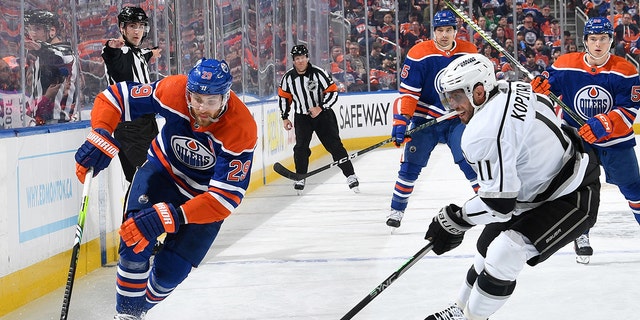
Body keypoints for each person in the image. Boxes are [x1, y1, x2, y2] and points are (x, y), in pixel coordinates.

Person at [73, 58, 257, 320]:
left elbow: (225, 199)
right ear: (188, 93)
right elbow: (113, 97)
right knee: (135, 237)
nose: (202, 109)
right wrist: (100, 133)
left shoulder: (241, 128)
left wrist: (173, 216)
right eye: (196, 99)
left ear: (226, 97)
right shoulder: (173, 90)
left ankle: (136, 310)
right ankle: (126, 315)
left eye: (212, 101)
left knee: (172, 271)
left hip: (203, 198)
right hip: (162, 174)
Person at [424, 53, 600, 320]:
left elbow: (499, 204)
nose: (452, 105)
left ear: (479, 92)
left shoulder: (481, 133)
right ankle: (459, 309)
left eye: (457, 97)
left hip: (573, 192)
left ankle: (473, 317)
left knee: (505, 252)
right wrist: (460, 219)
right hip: (538, 186)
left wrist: (456, 219)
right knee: (486, 247)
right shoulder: (513, 86)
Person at [531, 17, 640, 264]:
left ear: (611, 41)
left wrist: (605, 123)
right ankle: (581, 234)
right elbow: (547, 86)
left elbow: (630, 109)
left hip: (616, 143)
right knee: (578, 191)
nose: (598, 43)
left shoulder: (625, 70)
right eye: (593, 39)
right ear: (585, 41)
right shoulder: (565, 64)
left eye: (603, 38)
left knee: (634, 189)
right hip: (579, 141)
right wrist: (540, 85)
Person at [386, 9, 478, 229]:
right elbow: (408, 94)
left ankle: (490, 204)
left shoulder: (470, 52)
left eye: (448, 30)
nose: (444, 35)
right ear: (433, 32)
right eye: (440, 30)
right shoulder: (419, 54)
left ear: (456, 31)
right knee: (410, 166)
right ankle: (396, 210)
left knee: (470, 162)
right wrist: (401, 121)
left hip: (458, 118)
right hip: (425, 118)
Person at [277, 44, 359, 194]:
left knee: (334, 146)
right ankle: (300, 177)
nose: (300, 61)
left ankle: (350, 175)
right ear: (293, 60)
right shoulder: (288, 78)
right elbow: (284, 98)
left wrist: (320, 107)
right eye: (297, 58)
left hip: (323, 116)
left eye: (302, 57)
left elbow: (333, 92)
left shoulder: (319, 73)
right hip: (302, 117)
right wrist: (285, 117)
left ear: (307, 58)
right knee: (300, 148)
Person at [103, 6, 162, 184]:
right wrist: (111, 47)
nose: (137, 31)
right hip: (130, 128)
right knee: (143, 178)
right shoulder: (120, 53)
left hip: (148, 125)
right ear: (122, 28)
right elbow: (112, 56)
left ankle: (147, 211)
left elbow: (145, 53)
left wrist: (153, 52)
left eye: (141, 26)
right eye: (132, 26)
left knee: (155, 175)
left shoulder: (139, 53)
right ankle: (137, 212)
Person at [24, 9, 79, 125]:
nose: (32, 33)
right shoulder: (41, 54)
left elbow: (58, 58)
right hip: (42, 120)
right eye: (30, 29)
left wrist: (40, 47)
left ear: (52, 31)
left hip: (61, 122)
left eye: (37, 29)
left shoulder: (65, 53)